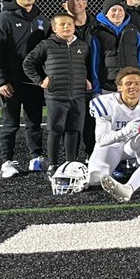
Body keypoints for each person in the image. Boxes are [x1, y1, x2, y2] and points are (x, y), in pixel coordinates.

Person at [0, 0, 49, 178]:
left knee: (34, 122)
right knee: (10, 124)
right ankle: (7, 161)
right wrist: (1, 80)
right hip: (11, 82)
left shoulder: (42, 20)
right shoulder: (2, 19)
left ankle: (36, 157)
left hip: (33, 81)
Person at [23, 12, 93, 177]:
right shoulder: (46, 45)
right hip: (56, 96)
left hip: (77, 96)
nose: (66, 27)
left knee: (74, 130)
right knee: (55, 130)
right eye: (62, 24)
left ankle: (71, 163)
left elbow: (87, 66)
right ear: (54, 28)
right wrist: (40, 81)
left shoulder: (82, 46)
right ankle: (53, 165)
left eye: (69, 24)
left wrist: (86, 79)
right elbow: (28, 63)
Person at [85, 67, 140, 187]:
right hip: (113, 145)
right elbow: (101, 140)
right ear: (119, 87)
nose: (133, 87)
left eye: (137, 83)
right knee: (95, 180)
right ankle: (113, 168)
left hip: (139, 144)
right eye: (128, 84)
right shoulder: (105, 103)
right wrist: (124, 131)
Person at [89, 0, 140, 94]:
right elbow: (95, 62)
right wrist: (96, 88)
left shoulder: (133, 31)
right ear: (106, 13)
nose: (117, 13)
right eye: (113, 10)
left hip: (132, 84)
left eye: (120, 10)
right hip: (108, 86)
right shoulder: (98, 33)